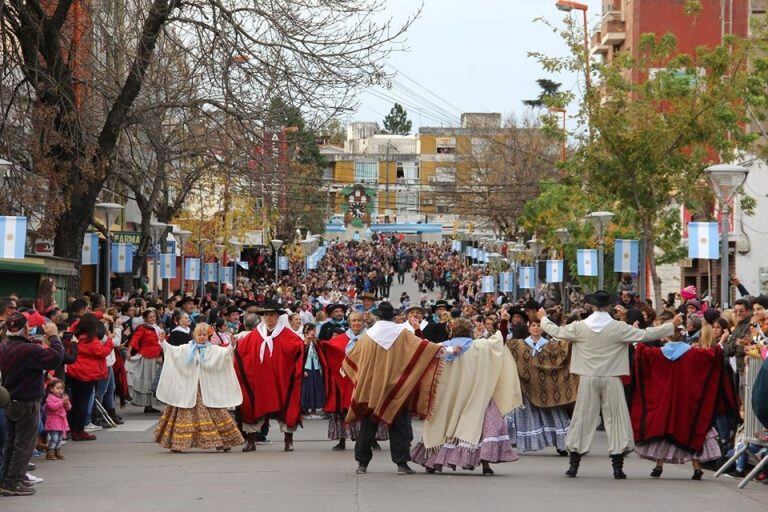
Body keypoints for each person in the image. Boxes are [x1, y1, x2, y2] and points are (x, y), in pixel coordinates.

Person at [537, 290, 681, 479]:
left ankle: (573, 465)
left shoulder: (580, 326)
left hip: (588, 377)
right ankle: (617, 467)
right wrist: (671, 325)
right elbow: (644, 334)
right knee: (616, 418)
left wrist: (543, 319)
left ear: (592, 306)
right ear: (608, 306)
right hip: (612, 377)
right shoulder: (618, 327)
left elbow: (557, 331)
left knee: (582, 418)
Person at [342, 301, 444, 475]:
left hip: (372, 387)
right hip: (397, 386)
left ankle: (362, 464)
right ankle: (401, 464)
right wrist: (444, 349)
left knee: (368, 425)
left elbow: (352, 358)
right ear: (394, 316)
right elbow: (424, 348)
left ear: (378, 316)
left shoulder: (368, 336)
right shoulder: (403, 334)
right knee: (399, 426)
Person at [411, 318, 521, 475]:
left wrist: (417, 329)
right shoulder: (481, 346)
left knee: (443, 425)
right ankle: (485, 465)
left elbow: (423, 346)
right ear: (470, 332)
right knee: (481, 428)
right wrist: (503, 321)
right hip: (476, 395)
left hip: (449, 398)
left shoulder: (442, 347)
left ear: (451, 331)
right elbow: (500, 340)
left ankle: (433, 462)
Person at [631, 322, 738, 480]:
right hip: (686, 402)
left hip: (665, 403)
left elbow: (640, 351)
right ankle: (696, 468)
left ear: (667, 338)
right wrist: (722, 341)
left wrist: (635, 332)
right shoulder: (694, 354)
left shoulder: (658, 353)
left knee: (664, 434)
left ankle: (658, 466)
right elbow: (713, 355)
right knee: (690, 431)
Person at [154, 323, 244, 452]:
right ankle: (179, 444)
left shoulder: (213, 349)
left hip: (207, 387)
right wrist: (163, 343)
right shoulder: (186, 348)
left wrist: (232, 345)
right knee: (184, 412)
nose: (201, 337)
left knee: (217, 412)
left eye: (204, 335)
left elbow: (226, 353)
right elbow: (172, 351)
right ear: (194, 335)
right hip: (189, 387)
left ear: (208, 336)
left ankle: (223, 441)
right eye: (199, 334)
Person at [0, 314, 63, 497]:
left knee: (11, 442)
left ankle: (7, 479)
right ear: (26, 329)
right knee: (24, 444)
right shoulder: (29, 350)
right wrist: (53, 336)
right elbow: (56, 358)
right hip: (27, 401)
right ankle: (13, 482)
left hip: (9, 400)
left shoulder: (4, 346)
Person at [234, 301, 305, 452]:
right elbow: (241, 350)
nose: (269, 318)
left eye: (272, 315)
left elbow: (298, 348)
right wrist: (234, 346)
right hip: (259, 379)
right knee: (252, 404)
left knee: (287, 403)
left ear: (278, 317)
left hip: (281, 379)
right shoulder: (254, 335)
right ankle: (251, 440)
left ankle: (288, 440)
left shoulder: (288, 336)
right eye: (266, 315)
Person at [317, 311, 388, 451]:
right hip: (344, 379)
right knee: (342, 409)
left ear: (363, 322)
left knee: (367, 408)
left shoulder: (372, 339)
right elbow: (329, 350)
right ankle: (342, 439)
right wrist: (315, 343)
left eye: (359, 321)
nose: (356, 323)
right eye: (353, 321)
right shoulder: (340, 339)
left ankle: (371, 438)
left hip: (365, 380)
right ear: (349, 323)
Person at [506, 319, 577, 453]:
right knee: (526, 414)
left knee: (553, 414)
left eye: (539, 325)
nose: (536, 328)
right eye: (533, 325)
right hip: (526, 386)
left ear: (543, 329)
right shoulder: (519, 344)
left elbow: (566, 349)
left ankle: (561, 444)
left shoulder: (551, 345)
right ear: (528, 328)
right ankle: (520, 441)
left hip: (546, 388)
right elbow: (503, 343)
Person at [66, 313, 114, 441]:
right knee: (83, 402)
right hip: (87, 374)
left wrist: (100, 315)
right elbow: (102, 352)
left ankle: (72, 428)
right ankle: (79, 431)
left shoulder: (74, 335)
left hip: (74, 371)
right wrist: (109, 340)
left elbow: (79, 322)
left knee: (75, 401)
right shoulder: (91, 340)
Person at [127, 308, 165, 413]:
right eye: (150, 317)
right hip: (147, 357)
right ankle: (147, 405)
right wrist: (129, 352)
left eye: (154, 316)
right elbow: (134, 339)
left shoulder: (157, 328)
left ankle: (150, 405)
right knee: (148, 380)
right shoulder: (142, 328)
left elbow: (162, 342)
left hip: (156, 357)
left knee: (154, 381)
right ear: (145, 318)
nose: (153, 319)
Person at [301, 323, 324, 417]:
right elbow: (301, 356)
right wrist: (303, 369)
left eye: (314, 330)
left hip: (315, 366)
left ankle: (314, 407)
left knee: (316, 387)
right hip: (307, 367)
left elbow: (321, 354)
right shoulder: (303, 342)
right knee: (306, 388)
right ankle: (305, 408)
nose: (313, 332)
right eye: (311, 330)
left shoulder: (316, 342)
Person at [43, 379, 70, 460]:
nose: (60, 391)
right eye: (57, 388)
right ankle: (50, 452)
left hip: (61, 422)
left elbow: (68, 408)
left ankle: (57, 451)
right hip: (53, 422)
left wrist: (67, 402)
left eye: (61, 389)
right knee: (54, 438)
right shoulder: (49, 398)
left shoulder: (62, 398)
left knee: (60, 438)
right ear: (51, 389)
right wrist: (62, 401)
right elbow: (52, 407)